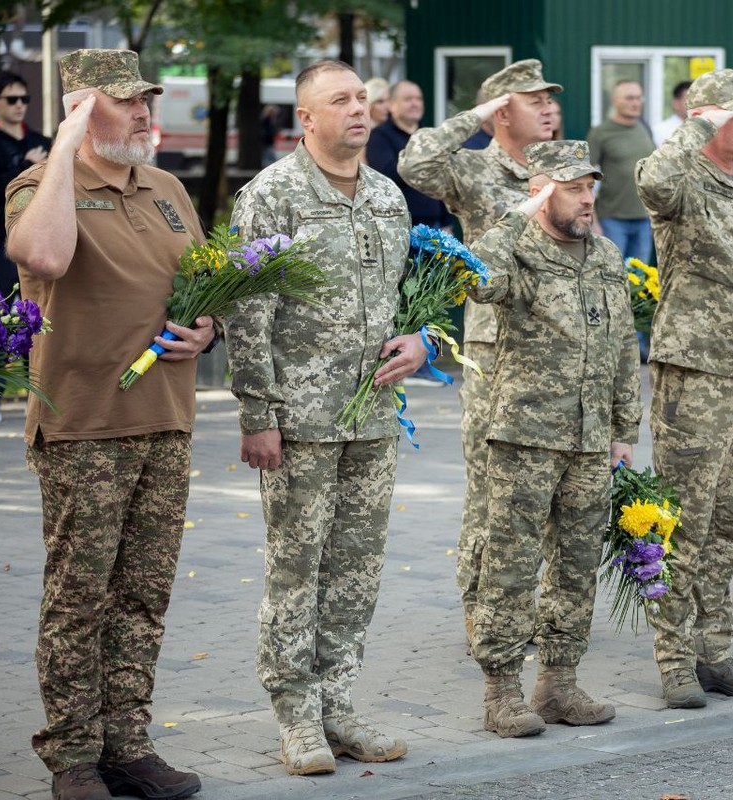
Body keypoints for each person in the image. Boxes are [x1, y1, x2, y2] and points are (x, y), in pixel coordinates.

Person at [5, 48, 214, 800]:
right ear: (83, 107)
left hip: (165, 419)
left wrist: (208, 328)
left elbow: (204, 282)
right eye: (125, 103)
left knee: (143, 594)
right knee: (80, 598)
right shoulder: (40, 186)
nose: (145, 114)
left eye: (146, 101)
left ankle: (128, 745)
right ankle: (73, 758)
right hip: (83, 426)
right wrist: (63, 145)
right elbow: (43, 256)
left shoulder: (165, 189)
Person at [223, 60, 422, 776]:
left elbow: (406, 296)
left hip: (372, 416)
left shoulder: (388, 195)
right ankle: (296, 716)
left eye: (363, 98)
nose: (358, 110)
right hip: (300, 421)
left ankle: (339, 703)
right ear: (306, 118)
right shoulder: (271, 196)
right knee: (296, 570)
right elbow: (247, 310)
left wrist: (421, 339)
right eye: (340, 100)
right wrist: (258, 412)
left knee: (356, 572)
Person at [466, 140, 641, 737]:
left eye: (590, 185)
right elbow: (473, 280)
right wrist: (514, 217)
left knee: (575, 566)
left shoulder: (607, 255)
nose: (587, 197)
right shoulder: (517, 251)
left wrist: (625, 430)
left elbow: (623, 346)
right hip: (525, 437)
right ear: (541, 191)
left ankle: (558, 684)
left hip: (591, 440)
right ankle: (500, 692)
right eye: (571, 187)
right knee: (511, 568)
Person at [398, 59, 561, 646]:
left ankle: (533, 606)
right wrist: (472, 117)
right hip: (499, 346)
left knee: (549, 490)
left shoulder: (559, 167)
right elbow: (415, 162)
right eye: (532, 99)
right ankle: (482, 608)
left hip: (562, 347)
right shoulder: (472, 169)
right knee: (493, 486)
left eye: (550, 99)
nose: (548, 108)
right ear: (501, 112)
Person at [634, 69, 733, 709]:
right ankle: (673, 662)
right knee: (683, 526)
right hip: (693, 376)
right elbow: (651, 179)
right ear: (705, 119)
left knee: (728, 523)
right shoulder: (684, 179)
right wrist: (699, 121)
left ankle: (714, 651)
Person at [0, 70, 52, 425]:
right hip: (1, 244)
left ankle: (39, 398)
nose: (20, 106)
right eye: (12, 100)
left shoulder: (41, 139)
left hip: (42, 242)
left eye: (25, 100)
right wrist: (25, 166)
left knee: (37, 321)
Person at [365, 80, 454, 230]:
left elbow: (443, 180)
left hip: (436, 226)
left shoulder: (430, 136)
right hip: (399, 226)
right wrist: (422, 160)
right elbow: (385, 176)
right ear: (392, 105)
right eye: (408, 99)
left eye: (418, 99)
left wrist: (447, 223)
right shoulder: (379, 137)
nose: (415, 103)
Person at [587, 80, 655, 263]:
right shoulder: (600, 133)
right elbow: (585, 179)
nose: (636, 103)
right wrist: (593, 221)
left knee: (641, 282)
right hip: (612, 219)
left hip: (644, 220)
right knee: (612, 275)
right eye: (630, 98)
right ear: (615, 101)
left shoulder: (644, 129)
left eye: (639, 98)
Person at [652, 80, 692, 145]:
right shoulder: (659, 131)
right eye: (689, 100)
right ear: (675, 103)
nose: (694, 103)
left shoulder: (706, 130)